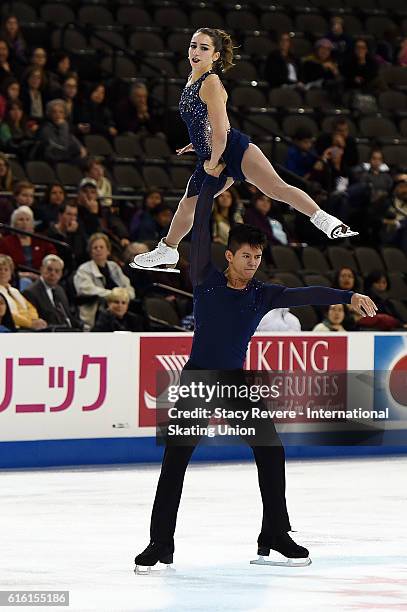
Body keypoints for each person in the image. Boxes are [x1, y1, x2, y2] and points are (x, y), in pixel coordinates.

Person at [134, 166, 378, 571]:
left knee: (270, 449)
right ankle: (160, 544)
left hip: (234, 383)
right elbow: (199, 226)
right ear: (229, 255)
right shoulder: (205, 278)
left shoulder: (263, 294)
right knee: (175, 463)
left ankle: (275, 534)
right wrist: (210, 182)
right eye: (246, 256)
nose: (252, 262)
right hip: (197, 381)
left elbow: (307, 293)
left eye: (258, 257)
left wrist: (348, 295)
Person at [132, 28, 358, 273]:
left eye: (204, 48)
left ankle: (326, 220)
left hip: (231, 149)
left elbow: (220, 132)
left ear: (216, 56)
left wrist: (213, 164)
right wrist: (197, 144)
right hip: (212, 151)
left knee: (275, 188)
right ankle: (168, 251)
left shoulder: (211, 83)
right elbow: (201, 122)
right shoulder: (192, 77)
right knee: (187, 206)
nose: (196, 52)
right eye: (193, 45)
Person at [73, 232, 135, 327]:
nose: (98, 250)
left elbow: (128, 288)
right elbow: (87, 290)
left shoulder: (114, 267)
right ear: (90, 252)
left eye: (101, 247)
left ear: (108, 251)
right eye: (95, 248)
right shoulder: (84, 269)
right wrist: (114, 295)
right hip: (94, 315)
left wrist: (124, 296)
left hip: (119, 312)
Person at [22, 254, 81, 329]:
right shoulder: (30, 292)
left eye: (57, 271)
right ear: (41, 269)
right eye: (49, 269)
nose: (53, 273)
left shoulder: (60, 289)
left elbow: (68, 316)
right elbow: (35, 323)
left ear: (61, 274)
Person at [0, 206, 57, 277]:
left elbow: (52, 257)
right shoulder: (5, 242)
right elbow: (3, 264)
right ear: (14, 224)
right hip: (17, 278)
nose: (25, 223)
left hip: (41, 276)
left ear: (32, 224)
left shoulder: (41, 240)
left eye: (28, 219)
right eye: (21, 219)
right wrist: (21, 275)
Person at [0, 254, 47, 330]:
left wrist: (34, 319)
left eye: (6, 269)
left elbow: (30, 308)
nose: (3, 272)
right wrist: (30, 323)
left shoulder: (14, 291)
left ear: (11, 273)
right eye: (0, 269)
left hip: (25, 328)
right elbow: (7, 315)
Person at [39, 99, 86, 164]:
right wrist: (63, 126)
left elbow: (75, 142)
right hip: (55, 161)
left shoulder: (64, 127)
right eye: (54, 112)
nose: (58, 114)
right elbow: (62, 147)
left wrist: (81, 148)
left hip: (68, 158)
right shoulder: (46, 129)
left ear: (65, 115)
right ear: (49, 114)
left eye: (61, 112)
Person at [48, 201, 88, 271]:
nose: (72, 218)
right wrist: (70, 235)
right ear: (60, 216)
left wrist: (73, 234)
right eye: (69, 214)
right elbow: (65, 258)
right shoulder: (51, 233)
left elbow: (79, 254)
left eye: (75, 215)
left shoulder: (79, 232)